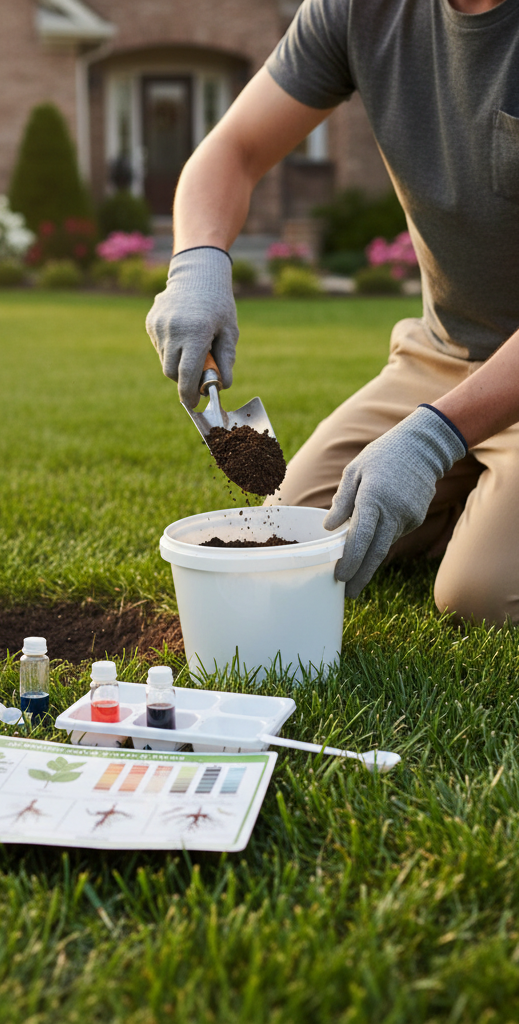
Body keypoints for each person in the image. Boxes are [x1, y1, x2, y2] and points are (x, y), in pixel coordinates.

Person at [145, 0, 519, 626]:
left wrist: (432, 439)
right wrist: (197, 266)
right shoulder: (360, 10)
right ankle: (468, 503)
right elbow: (233, 148)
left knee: (480, 594)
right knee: (298, 534)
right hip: (441, 355)